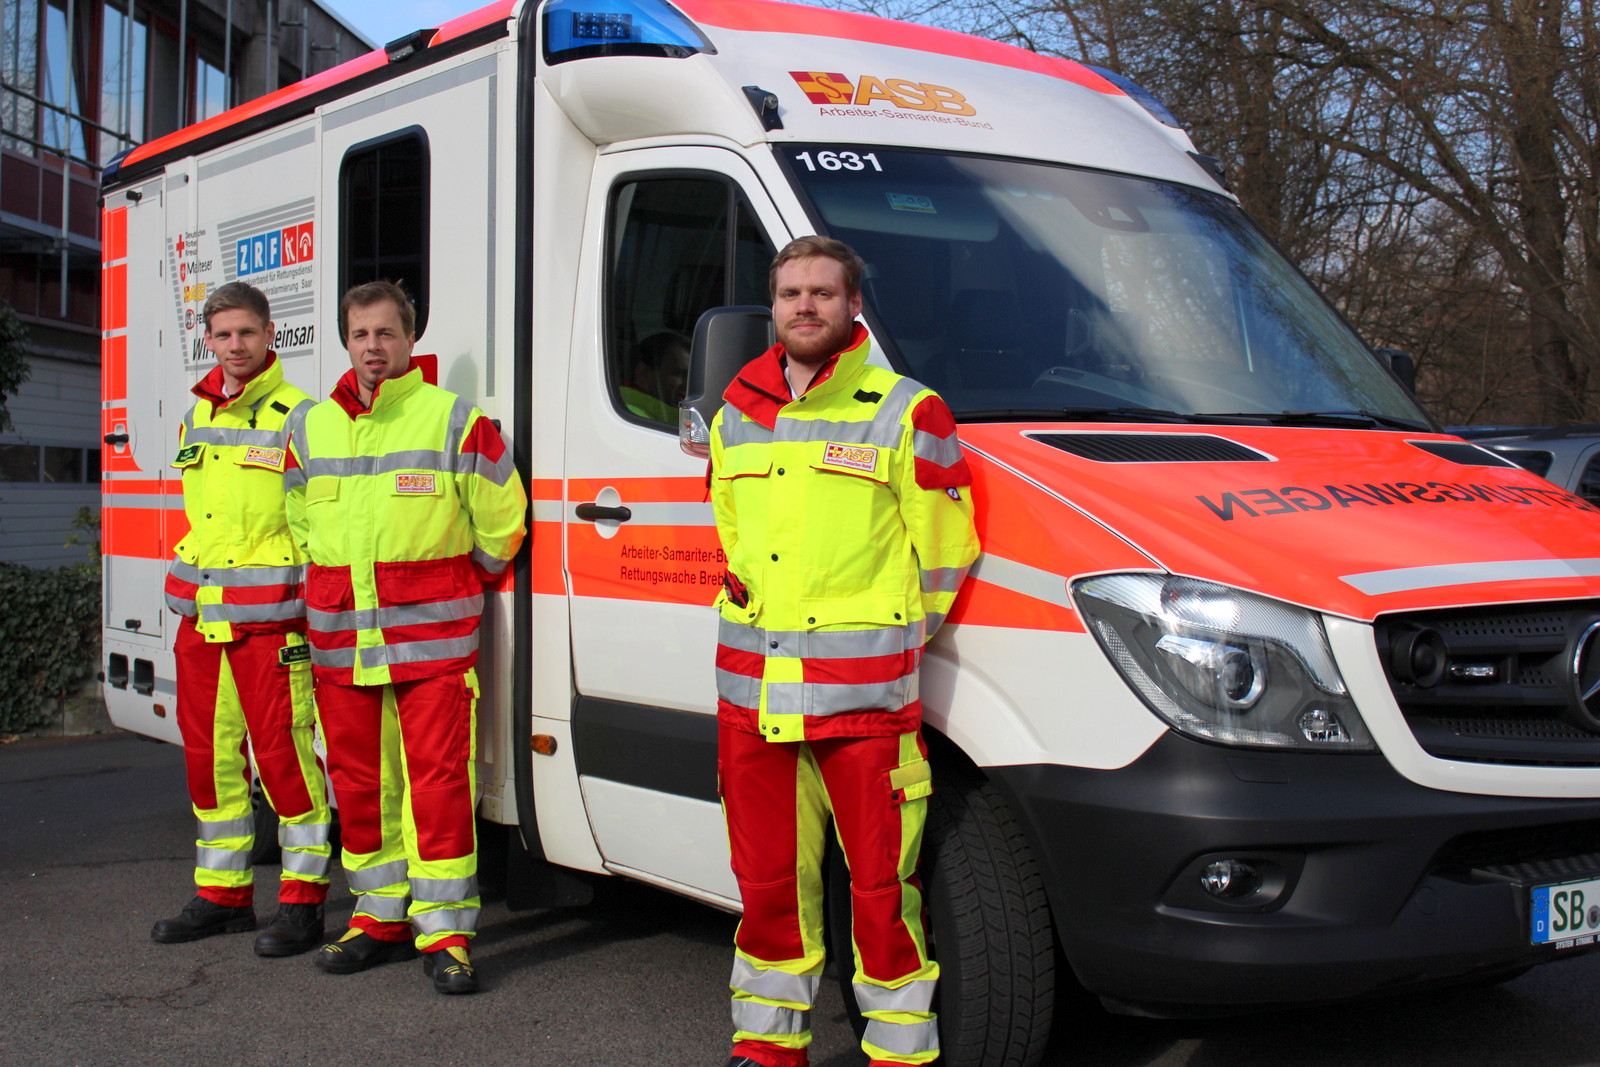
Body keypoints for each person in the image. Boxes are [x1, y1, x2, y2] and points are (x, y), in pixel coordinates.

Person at [708, 236, 980, 1067]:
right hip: (754, 700)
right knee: (767, 890)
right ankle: (766, 1044)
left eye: (823, 292)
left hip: (865, 704)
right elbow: (732, 538)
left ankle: (899, 1053)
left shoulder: (908, 410)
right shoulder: (734, 414)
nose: (804, 306)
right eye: (790, 292)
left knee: (881, 893)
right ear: (774, 305)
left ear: (853, 304)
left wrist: (887, 635)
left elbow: (946, 551)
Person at [284, 281, 526, 994]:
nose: (373, 347)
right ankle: (378, 916)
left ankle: (446, 932)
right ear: (346, 339)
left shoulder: (453, 419)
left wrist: (455, 583)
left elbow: (501, 522)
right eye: (360, 334)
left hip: (433, 645)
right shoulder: (311, 426)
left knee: (438, 786)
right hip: (340, 644)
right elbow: (300, 520)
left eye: (386, 333)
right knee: (359, 785)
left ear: (410, 340)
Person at [153, 281, 333, 956]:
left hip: (272, 622)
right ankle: (222, 897)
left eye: (247, 333)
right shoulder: (195, 415)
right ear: (209, 341)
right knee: (208, 763)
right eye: (223, 335)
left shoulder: (299, 416)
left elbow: (317, 519)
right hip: (201, 621)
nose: (235, 345)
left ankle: (303, 902)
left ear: (270, 336)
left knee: (285, 762)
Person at [621, 330, 691, 424]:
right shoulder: (633, 418)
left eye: (692, 376)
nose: (688, 384)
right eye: (678, 373)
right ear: (644, 373)